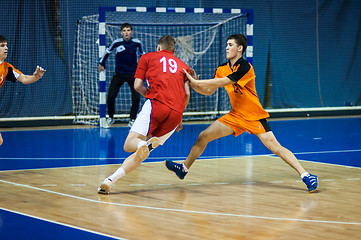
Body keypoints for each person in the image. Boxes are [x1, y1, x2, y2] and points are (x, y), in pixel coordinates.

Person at [165, 34, 318, 193]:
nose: (227, 47)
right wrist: (194, 84)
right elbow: (210, 90)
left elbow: (224, 82)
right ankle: (183, 168)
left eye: (230, 45)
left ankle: (306, 175)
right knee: (203, 136)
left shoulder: (245, 67)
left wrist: (197, 82)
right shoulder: (222, 68)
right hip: (235, 115)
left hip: (253, 115)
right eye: (226, 44)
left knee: (275, 147)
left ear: (240, 48)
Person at [98, 35, 192, 194]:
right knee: (144, 152)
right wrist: (180, 117)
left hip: (156, 103)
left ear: (158, 47)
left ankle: (141, 145)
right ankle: (110, 180)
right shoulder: (183, 66)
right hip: (176, 113)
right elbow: (187, 94)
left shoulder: (147, 57)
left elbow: (137, 86)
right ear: (174, 51)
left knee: (130, 145)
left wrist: (151, 95)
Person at [0, 35, 46, 146]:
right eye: (2, 46)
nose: (6, 48)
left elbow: (24, 78)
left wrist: (37, 77)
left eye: (6, 45)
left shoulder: (6, 67)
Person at [98, 23, 145, 128]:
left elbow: (143, 56)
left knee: (136, 98)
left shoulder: (137, 43)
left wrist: (146, 69)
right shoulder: (116, 43)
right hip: (119, 74)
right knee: (110, 96)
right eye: (124, 30)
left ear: (131, 32)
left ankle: (132, 119)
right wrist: (101, 63)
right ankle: (110, 118)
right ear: (121, 33)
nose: (126, 32)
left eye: (128, 30)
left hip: (133, 75)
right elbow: (107, 52)